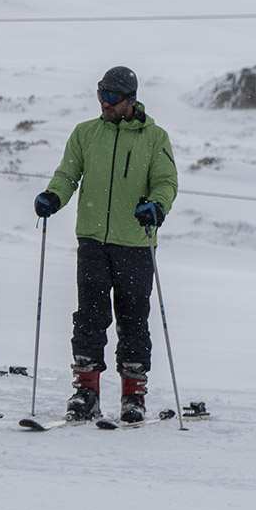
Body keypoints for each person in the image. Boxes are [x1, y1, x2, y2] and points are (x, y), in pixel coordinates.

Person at [34, 66, 178, 423]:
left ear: (130, 100)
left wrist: (157, 206)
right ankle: (86, 391)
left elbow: (166, 181)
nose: (105, 103)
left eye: (112, 97)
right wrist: (55, 196)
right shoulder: (85, 134)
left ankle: (133, 395)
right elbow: (68, 173)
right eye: (101, 95)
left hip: (135, 242)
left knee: (133, 319)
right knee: (90, 317)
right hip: (93, 240)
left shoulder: (154, 137)